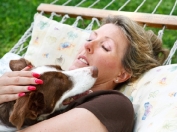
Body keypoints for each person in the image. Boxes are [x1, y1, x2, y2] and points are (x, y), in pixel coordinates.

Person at [0, 15, 168, 132]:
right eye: (90, 38)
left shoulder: (114, 106)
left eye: (105, 47)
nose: (88, 45)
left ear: (122, 74)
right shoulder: (39, 78)